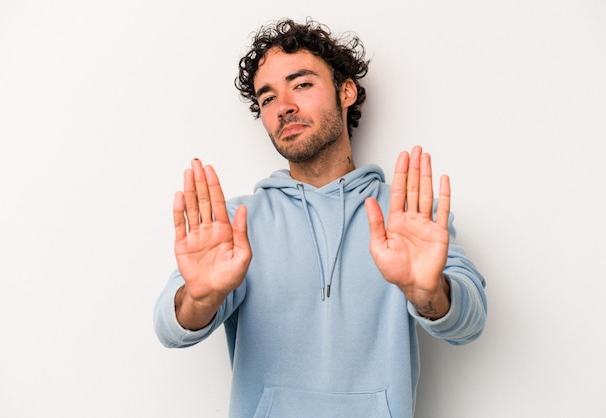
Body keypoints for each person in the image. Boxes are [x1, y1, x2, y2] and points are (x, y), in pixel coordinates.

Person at [154, 17, 487, 418]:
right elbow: (170, 328)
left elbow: (470, 323)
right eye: (267, 98)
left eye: (302, 84)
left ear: (346, 91)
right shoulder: (236, 223)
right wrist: (200, 298)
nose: (284, 107)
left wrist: (427, 293)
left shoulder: (409, 216)